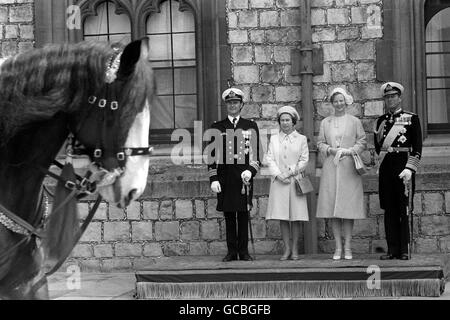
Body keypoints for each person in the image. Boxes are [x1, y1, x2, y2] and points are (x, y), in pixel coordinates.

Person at [207, 88, 261, 262]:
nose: (232, 105)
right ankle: (231, 251)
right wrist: (213, 178)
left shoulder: (250, 125)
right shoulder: (217, 127)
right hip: (225, 177)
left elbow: (256, 154)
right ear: (226, 105)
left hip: (243, 178)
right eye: (230, 103)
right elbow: (212, 156)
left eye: (236, 102)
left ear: (241, 105)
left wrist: (251, 171)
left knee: (243, 215)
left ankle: (243, 252)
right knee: (229, 215)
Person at [316, 87, 367, 260]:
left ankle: (348, 247)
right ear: (332, 104)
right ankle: (337, 247)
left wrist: (350, 151)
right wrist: (330, 149)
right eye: (335, 101)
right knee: (333, 209)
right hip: (331, 166)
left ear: (346, 102)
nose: (339, 104)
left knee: (348, 209)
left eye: (341, 100)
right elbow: (320, 143)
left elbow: (362, 141)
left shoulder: (354, 121)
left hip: (349, 166)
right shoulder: (325, 123)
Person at [374, 82, 422, 260]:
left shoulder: (411, 118)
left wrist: (410, 168)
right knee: (389, 210)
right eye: (387, 97)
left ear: (399, 98)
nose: (390, 99)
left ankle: (403, 249)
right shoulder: (381, 121)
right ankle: (391, 249)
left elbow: (417, 147)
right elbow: (379, 148)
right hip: (387, 169)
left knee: (404, 209)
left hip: (404, 170)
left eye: (393, 96)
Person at [265, 106, 309, 261]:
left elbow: (304, 160)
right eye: (282, 120)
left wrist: (289, 172)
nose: (285, 123)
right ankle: (287, 249)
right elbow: (269, 158)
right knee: (282, 217)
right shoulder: (274, 139)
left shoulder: (301, 139)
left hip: (294, 181)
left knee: (295, 217)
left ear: (293, 122)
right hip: (279, 182)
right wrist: (278, 175)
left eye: (287, 120)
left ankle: (295, 248)